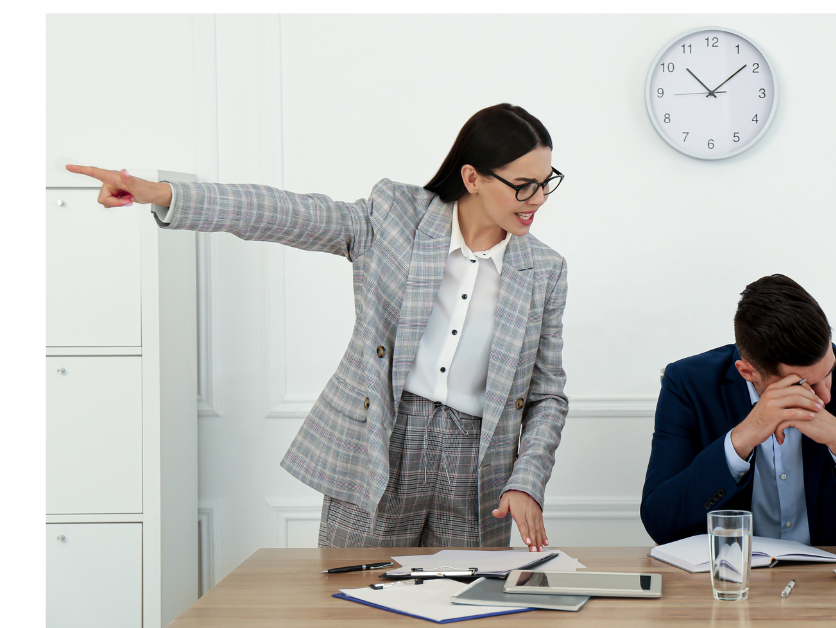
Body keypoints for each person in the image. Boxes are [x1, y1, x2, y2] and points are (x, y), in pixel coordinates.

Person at [67, 103, 568, 552]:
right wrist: (165, 194)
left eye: (546, 182)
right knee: (352, 602)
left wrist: (526, 480)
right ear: (473, 177)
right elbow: (285, 212)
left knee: (464, 605)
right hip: (379, 445)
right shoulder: (394, 217)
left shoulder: (544, 270)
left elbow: (547, 394)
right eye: (523, 184)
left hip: (477, 471)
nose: (539, 198)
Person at [640, 274, 836, 550]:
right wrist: (741, 440)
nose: (825, 397)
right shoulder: (689, 384)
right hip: (732, 572)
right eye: (804, 385)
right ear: (747, 372)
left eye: (829, 372)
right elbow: (661, 523)